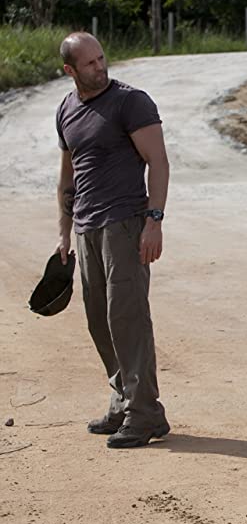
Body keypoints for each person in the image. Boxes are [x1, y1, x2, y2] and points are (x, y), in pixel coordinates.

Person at [54, 31, 171, 449]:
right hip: (86, 227)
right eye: (89, 63)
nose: (100, 67)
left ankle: (145, 414)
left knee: (128, 317)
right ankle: (123, 400)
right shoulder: (66, 109)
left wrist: (153, 221)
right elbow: (69, 174)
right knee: (99, 319)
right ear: (70, 70)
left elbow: (157, 160)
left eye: (101, 58)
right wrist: (64, 231)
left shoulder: (130, 101)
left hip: (125, 222)